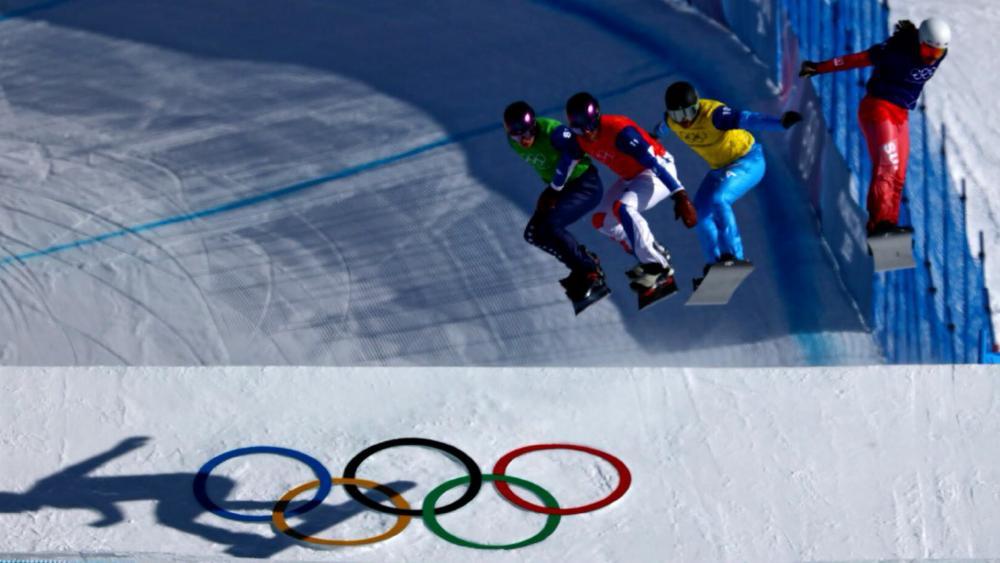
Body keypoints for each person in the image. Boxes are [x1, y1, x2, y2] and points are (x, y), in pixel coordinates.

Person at [799, 18, 950, 236]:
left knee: (898, 173)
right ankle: (878, 223)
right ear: (919, 41)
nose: (930, 58)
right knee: (887, 165)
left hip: (900, 113)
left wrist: (934, 52)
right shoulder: (896, 51)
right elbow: (858, 59)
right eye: (927, 50)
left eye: (936, 54)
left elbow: (934, 50)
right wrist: (820, 67)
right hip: (878, 108)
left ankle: (887, 223)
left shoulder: (938, 53)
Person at [654, 81, 801, 287]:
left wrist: (780, 123)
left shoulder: (714, 115)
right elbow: (659, 130)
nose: (685, 120)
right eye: (679, 115)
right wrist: (650, 140)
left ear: (697, 106)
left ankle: (734, 256)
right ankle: (714, 263)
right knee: (700, 213)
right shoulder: (671, 120)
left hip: (748, 160)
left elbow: (749, 119)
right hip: (721, 168)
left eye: (689, 112)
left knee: (718, 199)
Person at [564, 91, 697, 308]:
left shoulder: (619, 131)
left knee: (623, 208)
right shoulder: (580, 139)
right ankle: (648, 250)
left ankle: (658, 268)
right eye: (580, 128)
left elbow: (655, 164)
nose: (588, 132)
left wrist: (680, 195)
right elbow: (566, 165)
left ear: (598, 116)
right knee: (602, 220)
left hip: (658, 171)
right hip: (632, 177)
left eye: (591, 125)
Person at [503, 100, 609, 310]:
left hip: (584, 184)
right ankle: (580, 266)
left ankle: (590, 271)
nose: (523, 140)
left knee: (551, 224)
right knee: (534, 233)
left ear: (534, 125)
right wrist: (553, 188)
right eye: (516, 135)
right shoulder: (513, 142)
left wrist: (554, 189)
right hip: (560, 187)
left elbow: (575, 153)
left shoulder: (553, 131)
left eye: (527, 133)